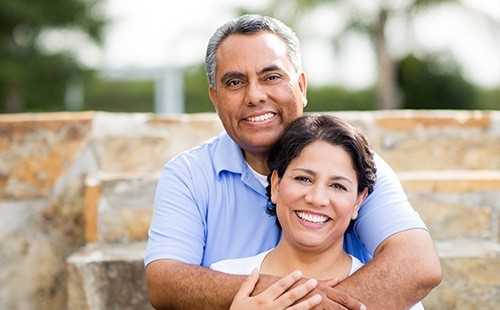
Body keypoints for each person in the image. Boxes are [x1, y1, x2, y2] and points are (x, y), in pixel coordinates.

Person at [145, 14, 441, 309]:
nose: (255, 96)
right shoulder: (188, 175)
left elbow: (417, 263)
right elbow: (165, 282)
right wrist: (287, 296)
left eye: (271, 77)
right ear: (215, 98)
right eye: (235, 82)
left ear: (301, 86)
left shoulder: (352, 163)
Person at [211, 114, 423, 309]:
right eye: (303, 179)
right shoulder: (226, 275)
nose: (317, 199)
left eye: (337, 186)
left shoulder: (393, 293)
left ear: (358, 201)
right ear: (276, 185)